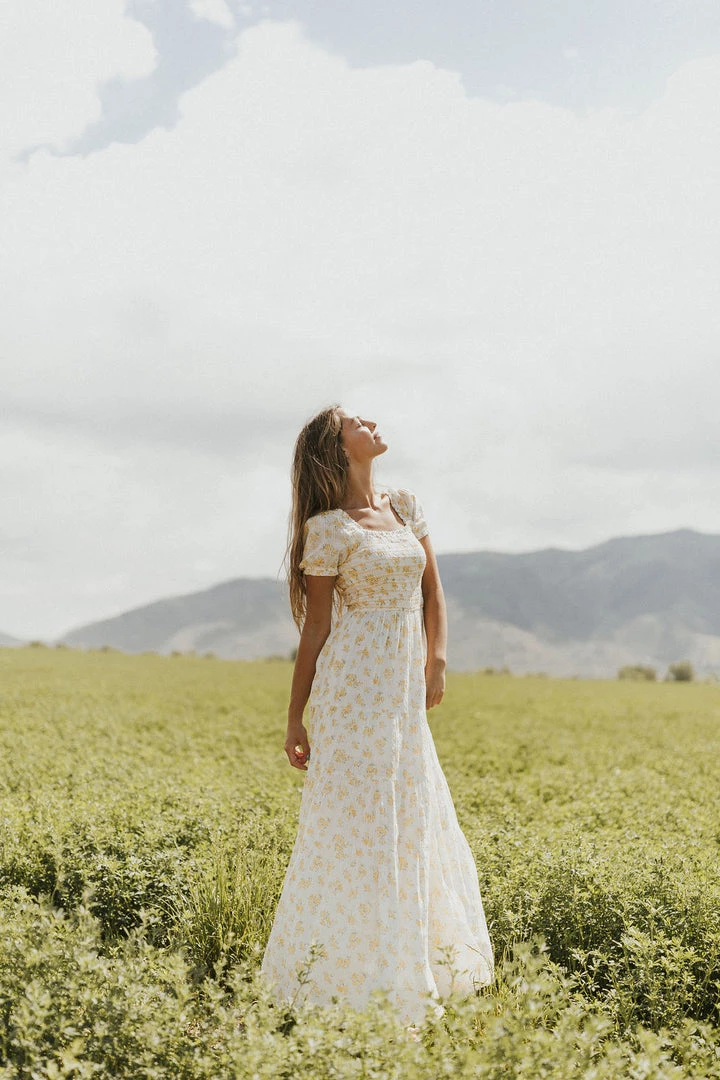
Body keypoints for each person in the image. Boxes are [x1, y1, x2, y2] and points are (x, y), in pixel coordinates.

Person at [260, 404, 494, 1027]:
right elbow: (315, 629)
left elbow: (433, 592)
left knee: (409, 816)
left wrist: (436, 660)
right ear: (337, 449)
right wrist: (295, 718)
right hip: (351, 694)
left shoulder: (406, 506)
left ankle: (411, 969)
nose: (371, 423)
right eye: (354, 423)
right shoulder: (328, 530)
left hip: (401, 694)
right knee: (356, 826)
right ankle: (343, 979)